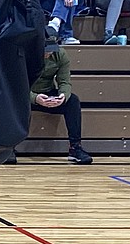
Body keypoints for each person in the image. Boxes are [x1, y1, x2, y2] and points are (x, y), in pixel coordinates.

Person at [29, 32, 92, 164]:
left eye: (51, 50)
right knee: (11, 103)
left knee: (73, 101)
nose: (49, 54)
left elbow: (64, 81)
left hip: (47, 92)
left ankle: (75, 148)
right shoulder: (24, 55)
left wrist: (63, 95)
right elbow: (16, 85)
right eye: (46, 51)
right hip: (25, 94)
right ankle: (8, 148)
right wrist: (35, 98)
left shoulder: (60, 55)